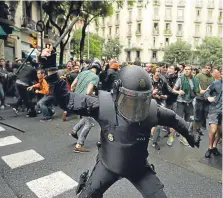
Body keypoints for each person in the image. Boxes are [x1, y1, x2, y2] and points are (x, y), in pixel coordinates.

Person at [46, 65, 200, 198]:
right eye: (131, 100)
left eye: (142, 101)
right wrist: (53, 74)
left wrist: (190, 135)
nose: (136, 107)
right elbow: (67, 101)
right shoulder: (103, 105)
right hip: (108, 165)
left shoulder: (152, 111)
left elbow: (175, 120)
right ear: (117, 93)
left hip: (137, 167)